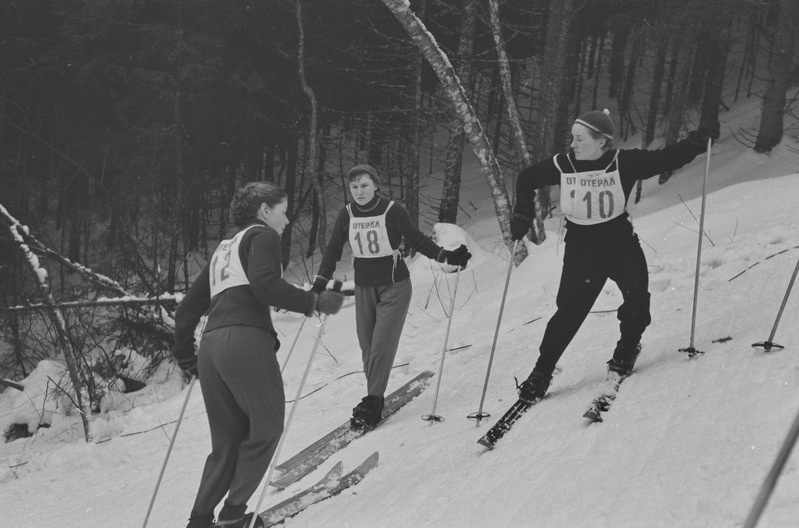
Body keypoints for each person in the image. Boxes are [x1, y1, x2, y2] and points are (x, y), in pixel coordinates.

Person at [509, 109, 719, 402]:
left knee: (636, 296)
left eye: (580, 139)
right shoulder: (564, 164)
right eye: (573, 137)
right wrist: (522, 212)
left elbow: (666, 159)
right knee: (569, 312)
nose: (573, 144)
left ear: (601, 143)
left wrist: (697, 142)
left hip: (619, 243)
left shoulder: (624, 162)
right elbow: (527, 177)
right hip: (582, 249)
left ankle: (627, 349)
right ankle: (541, 372)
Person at [171, 181, 345, 528]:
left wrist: (187, 358)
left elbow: (186, 311)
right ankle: (234, 515)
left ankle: (200, 520)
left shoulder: (225, 247)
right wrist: (313, 302)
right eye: (282, 212)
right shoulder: (262, 237)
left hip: (212, 347)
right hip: (244, 343)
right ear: (265, 211)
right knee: (266, 428)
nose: (286, 222)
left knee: (226, 442)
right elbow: (265, 285)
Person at [313, 163, 471, 429]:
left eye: (364, 185)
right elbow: (332, 252)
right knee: (367, 348)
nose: (359, 192)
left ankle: (373, 400)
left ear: (375, 185)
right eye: (354, 187)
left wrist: (446, 255)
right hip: (364, 287)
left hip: (394, 286)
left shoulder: (392, 210)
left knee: (381, 345)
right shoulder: (347, 214)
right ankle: (374, 396)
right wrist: (319, 283)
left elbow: (417, 239)